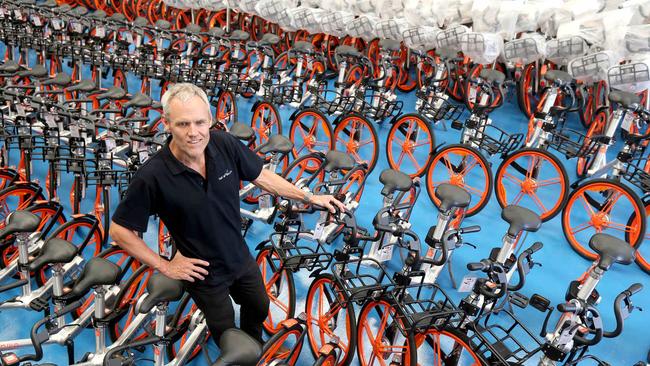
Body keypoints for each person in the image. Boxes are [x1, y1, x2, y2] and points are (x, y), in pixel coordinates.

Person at [110, 83, 345, 345]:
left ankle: (252, 352)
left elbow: (262, 176)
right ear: (166, 124)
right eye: (182, 124)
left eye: (200, 122)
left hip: (238, 255)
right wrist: (163, 265)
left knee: (259, 306)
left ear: (211, 120)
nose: (193, 133)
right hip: (202, 272)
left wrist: (310, 197)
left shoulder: (223, 144)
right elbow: (119, 230)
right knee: (225, 332)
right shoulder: (153, 175)